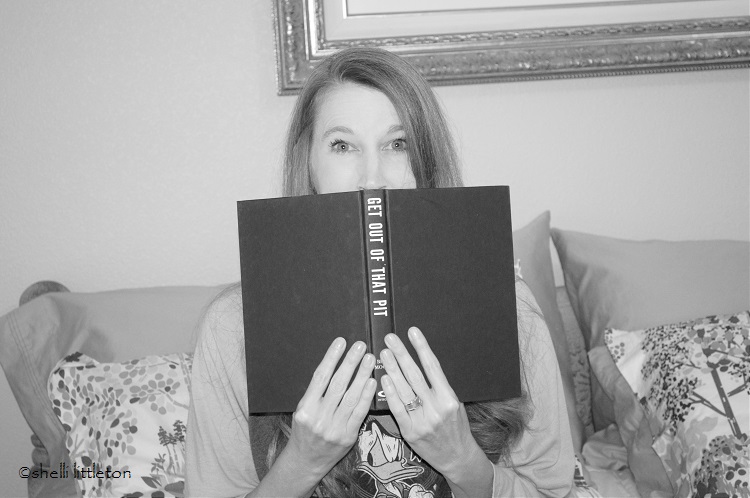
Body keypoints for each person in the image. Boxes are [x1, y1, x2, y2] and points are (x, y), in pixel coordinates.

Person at [185, 46, 574, 498]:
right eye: (342, 145)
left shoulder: (510, 305)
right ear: (308, 161)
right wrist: (303, 462)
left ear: (427, 160)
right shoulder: (232, 328)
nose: (372, 177)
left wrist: (462, 461)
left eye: (397, 143)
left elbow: (551, 491)